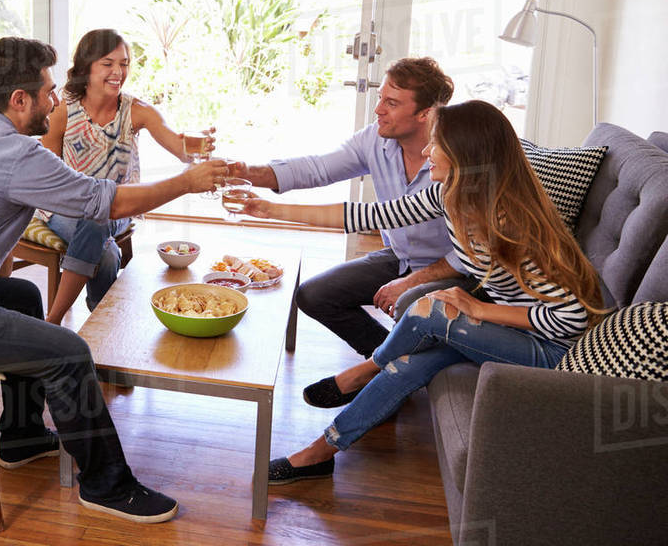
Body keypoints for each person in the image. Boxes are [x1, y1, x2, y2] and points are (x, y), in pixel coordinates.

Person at [0, 36, 227, 524]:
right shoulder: (14, 155)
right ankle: (107, 487)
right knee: (68, 352)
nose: (57, 101)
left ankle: (23, 436)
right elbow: (105, 203)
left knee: (24, 295)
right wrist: (184, 183)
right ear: (19, 100)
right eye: (49, 91)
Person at [232, 100, 607, 483]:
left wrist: (480, 309)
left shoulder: (509, 223)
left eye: (436, 143)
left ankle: (366, 368)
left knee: (431, 310)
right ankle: (320, 452)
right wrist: (271, 210)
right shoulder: (450, 196)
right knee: (409, 365)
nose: (426, 151)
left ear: (464, 154)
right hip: (514, 332)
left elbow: (572, 317)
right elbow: (367, 215)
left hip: (549, 350)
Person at [233, 57, 477, 393]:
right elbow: (319, 169)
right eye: (380, 98)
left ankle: (389, 372)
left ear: (426, 114)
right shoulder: (376, 140)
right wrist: (248, 172)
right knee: (314, 295)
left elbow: (472, 255)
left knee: (407, 302)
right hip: (400, 256)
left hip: (453, 270)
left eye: (391, 103)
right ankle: (390, 367)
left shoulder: (455, 162)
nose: (378, 110)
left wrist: (413, 281)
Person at [39, 28, 211, 325]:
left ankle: (53, 322)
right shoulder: (62, 112)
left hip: (118, 206)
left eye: (124, 63)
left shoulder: (136, 110)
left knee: (98, 219)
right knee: (106, 254)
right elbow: (48, 177)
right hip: (63, 207)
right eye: (108, 64)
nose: (118, 72)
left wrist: (199, 146)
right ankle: (101, 322)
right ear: (86, 67)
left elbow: (180, 149)